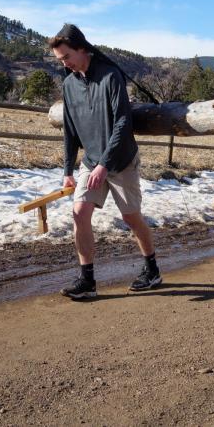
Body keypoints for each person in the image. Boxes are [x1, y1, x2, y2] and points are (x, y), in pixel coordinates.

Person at [48, 24, 162, 299]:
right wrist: (68, 170)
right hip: (91, 162)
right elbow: (70, 132)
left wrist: (105, 165)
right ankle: (87, 280)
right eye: (60, 60)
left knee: (131, 218)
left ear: (82, 49)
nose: (64, 63)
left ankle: (152, 269)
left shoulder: (111, 77)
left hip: (121, 160)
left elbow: (123, 123)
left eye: (66, 57)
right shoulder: (69, 85)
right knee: (79, 212)